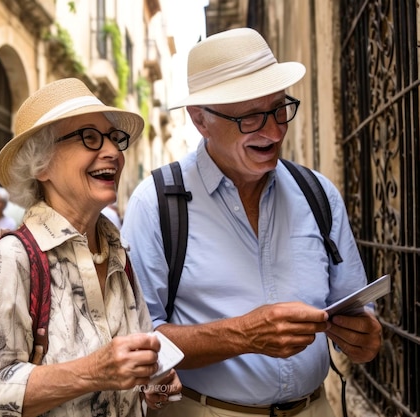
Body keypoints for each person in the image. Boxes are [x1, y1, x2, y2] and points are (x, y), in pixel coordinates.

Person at [121, 28, 383, 416]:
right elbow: (138, 340)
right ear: (200, 120)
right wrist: (242, 335)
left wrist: (363, 337)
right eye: (251, 117)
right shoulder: (156, 203)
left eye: (280, 109)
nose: (274, 130)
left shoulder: (318, 193)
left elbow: (355, 313)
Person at [0, 78, 182, 416]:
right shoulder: (13, 258)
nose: (113, 153)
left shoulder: (118, 252)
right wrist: (92, 372)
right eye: (89, 138)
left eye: (114, 138)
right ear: (41, 163)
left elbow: (138, 364)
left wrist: (155, 383)